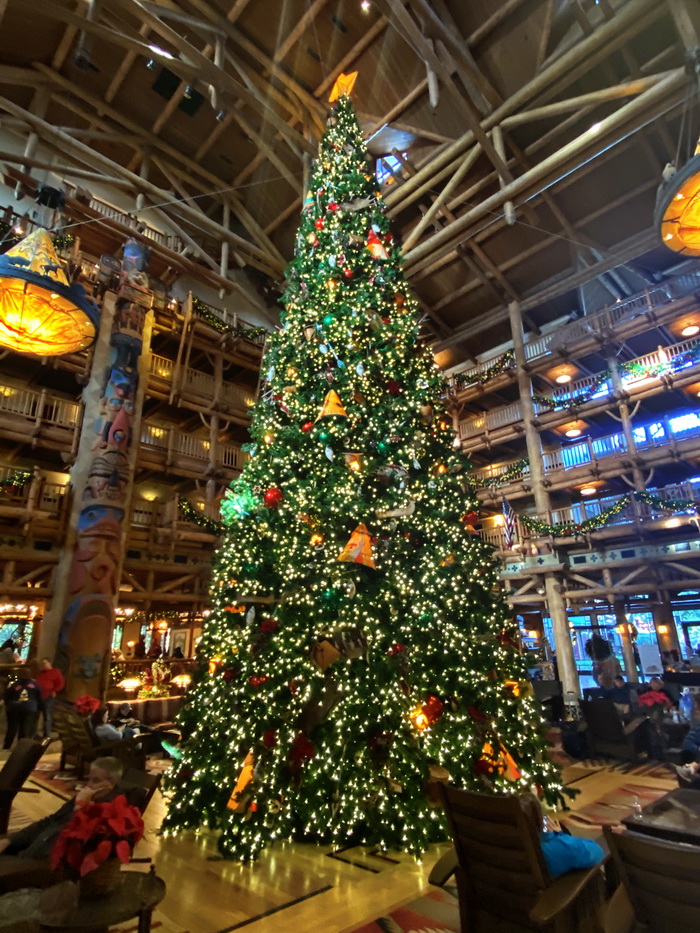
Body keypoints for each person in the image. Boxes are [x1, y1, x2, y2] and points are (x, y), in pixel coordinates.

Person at [0, 757, 138, 861]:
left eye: (95, 781)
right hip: (31, 851)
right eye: (89, 779)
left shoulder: (111, 811)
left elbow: (75, 840)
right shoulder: (87, 796)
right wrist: (11, 840)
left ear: (111, 783)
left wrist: (81, 806)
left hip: (43, 865)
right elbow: (51, 820)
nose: (89, 785)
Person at [523, 794, 604, 879]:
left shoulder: (511, 848)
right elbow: (597, 852)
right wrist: (560, 835)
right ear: (541, 820)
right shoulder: (558, 846)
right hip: (562, 889)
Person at [3, 668, 41, 749]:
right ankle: (20, 748)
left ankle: (7, 746)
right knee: (25, 729)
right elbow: (39, 697)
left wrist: (8, 706)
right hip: (29, 709)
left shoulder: (14, 684)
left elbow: (7, 696)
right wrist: (38, 708)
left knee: (12, 728)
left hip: (15, 708)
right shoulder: (34, 685)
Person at [35, 657, 65, 738]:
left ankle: (46, 735)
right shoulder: (41, 673)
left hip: (48, 697)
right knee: (35, 715)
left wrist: (54, 690)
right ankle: (34, 733)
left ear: (49, 663)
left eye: (44, 663)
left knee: (47, 716)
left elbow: (61, 683)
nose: (43, 665)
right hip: (38, 697)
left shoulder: (55, 672)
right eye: (42, 664)